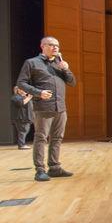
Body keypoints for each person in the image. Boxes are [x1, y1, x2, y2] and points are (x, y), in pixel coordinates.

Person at [16, 36, 76, 181]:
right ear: (42, 46)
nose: (55, 48)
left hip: (61, 108)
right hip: (43, 108)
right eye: (51, 45)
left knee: (57, 138)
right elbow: (21, 83)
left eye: (57, 46)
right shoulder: (32, 63)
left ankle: (54, 168)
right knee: (41, 138)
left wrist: (66, 69)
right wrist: (38, 93)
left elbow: (72, 83)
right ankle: (40, 170)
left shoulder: (60, 64)